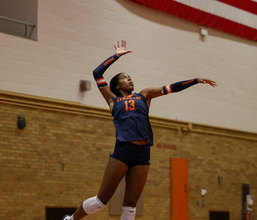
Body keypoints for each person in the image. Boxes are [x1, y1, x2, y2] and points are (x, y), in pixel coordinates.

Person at [62, 40, 217, 220]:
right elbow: (97, 73)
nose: (129, 78)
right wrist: (116, 56)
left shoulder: (144, 95)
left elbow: (171, 88)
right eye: (124, 77)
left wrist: (195, 80)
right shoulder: (113, 100)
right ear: (117, 86)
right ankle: (71, 219)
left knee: (131, 205)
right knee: (101, 202)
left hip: (143, 153)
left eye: (130, 76)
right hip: (123, 151)